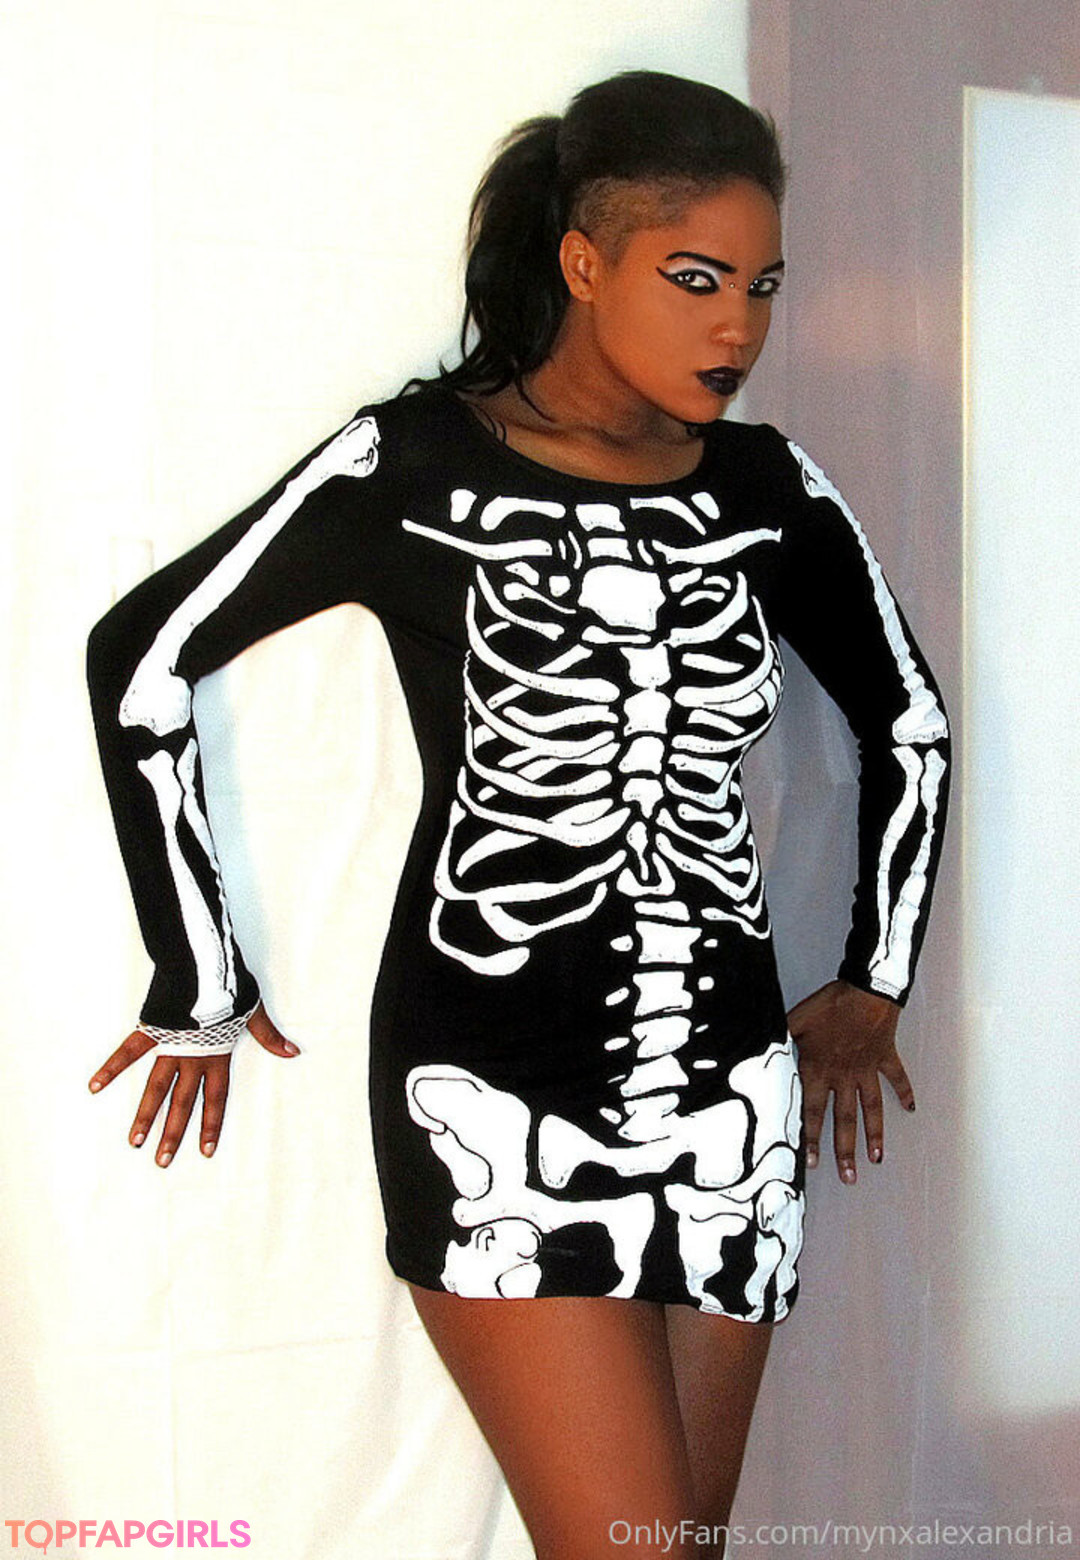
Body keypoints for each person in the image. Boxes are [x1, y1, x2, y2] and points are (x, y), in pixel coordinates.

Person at [86, 69, 950, 1560]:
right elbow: (143, 657)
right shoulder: (411, 464)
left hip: (731, 1100)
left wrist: (877, 982)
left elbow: (913, 727)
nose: (739, 329)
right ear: (584, 262)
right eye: (695, 279)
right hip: (494, 1098)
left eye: (761, 285)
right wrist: (198, 972)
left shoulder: (767, 487)